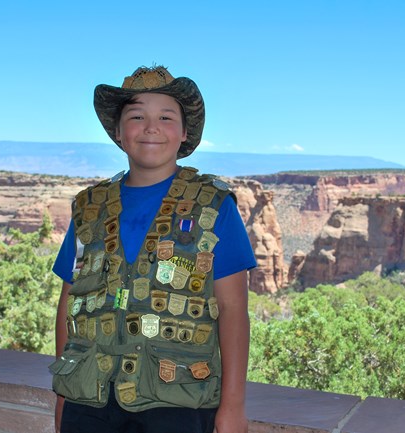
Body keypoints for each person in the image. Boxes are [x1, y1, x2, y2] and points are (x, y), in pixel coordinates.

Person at [50, 65, 257, 433]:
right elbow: (70, 301)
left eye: (165, 116)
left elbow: (232, 309)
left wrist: (233, 408)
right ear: (118, 131)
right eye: (136, 116)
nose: (150, 127)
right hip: (90, 399)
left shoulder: (214, 206)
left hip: (177, 402)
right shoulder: (88, 207)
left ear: (184, 132)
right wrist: (63, 394)